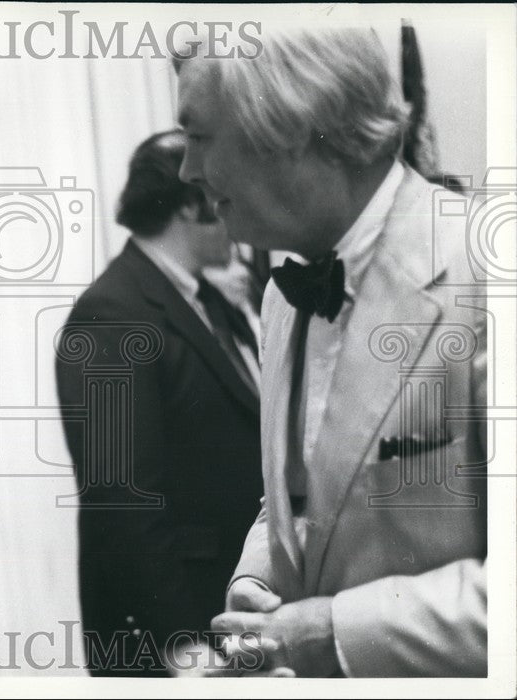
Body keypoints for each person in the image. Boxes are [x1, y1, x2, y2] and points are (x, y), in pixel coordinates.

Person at [176, 25, 486, 676]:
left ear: (288, 122)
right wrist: (259, 575)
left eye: (200, 137)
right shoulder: (283, 296)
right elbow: (304, 492)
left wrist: (330, 631)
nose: (187, 171)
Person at [54, 130, 264, 676]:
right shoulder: (110, 315)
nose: (241, 215)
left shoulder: (207, 295)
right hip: (175, 630)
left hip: (227, 607)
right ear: (192, 203)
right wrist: (180, 644)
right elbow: (120, 499)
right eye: (227, 197)